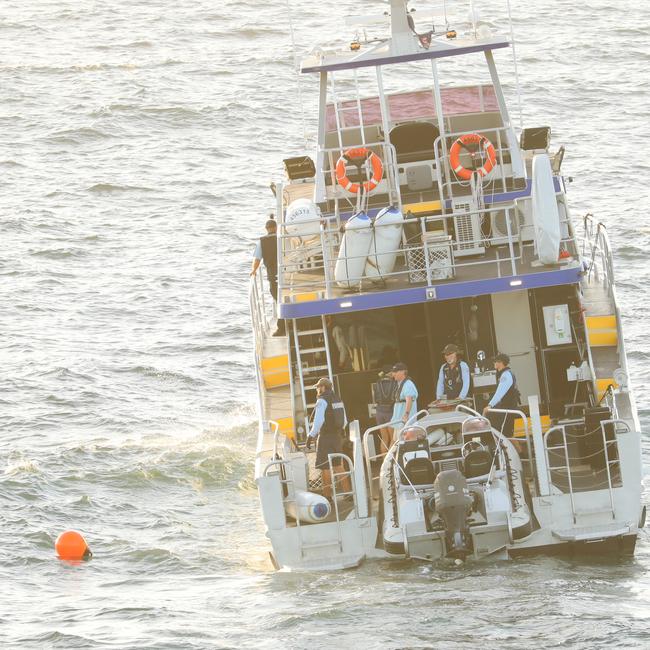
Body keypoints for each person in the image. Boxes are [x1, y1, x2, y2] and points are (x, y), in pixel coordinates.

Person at [306, 378, 352, 500]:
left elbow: (318, 420)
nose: (317, 389)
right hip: (337, 436)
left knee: (324, 466)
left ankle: (327, 496)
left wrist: (311, 435)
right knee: (338, 464)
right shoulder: (338, 399)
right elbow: (345, 420)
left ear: (323, 387)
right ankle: (348, 493)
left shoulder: (322, 401)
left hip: (325, 437)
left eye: (318, 387)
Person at [250, 215, 285, 336]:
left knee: (278, 299)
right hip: (285, 272)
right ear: (276, 228)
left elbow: (257, 259)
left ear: (266, 229)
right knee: (285, 298)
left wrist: (253, 271)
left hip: (272, 274)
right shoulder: (282, 237)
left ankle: (282, 327)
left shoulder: (262, 242)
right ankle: (289, 323)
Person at [482, 353, 520, 438]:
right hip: (508, 407)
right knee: (506, 435)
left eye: (495, 361)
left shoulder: (505, 375)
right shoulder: (505, 373)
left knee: (507, 435)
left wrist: (490, 405)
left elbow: (500, 393)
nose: (494, 363)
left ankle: (520, 452)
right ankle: (514, 451)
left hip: (508, 408)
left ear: (500, 363)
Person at [371, 365, 397, 452]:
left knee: (384, 439)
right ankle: (389, 463)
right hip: (390, 412)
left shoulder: (377, 382)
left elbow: (375, 398)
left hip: (379, 412)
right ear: (389, 373)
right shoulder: (394, 382)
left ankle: (383, 462)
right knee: (393, 439)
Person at [391, 362, 418, 434]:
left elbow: (409, 400)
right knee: (396, 442)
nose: (393, 374)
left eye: (395, 372)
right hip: (399, 422)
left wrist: (406, 415)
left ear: (403, 372)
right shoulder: (399, 384)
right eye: (393, 372)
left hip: (405, 423)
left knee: (403, 442)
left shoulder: (408, 384)